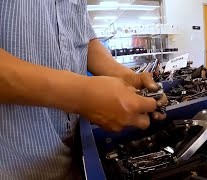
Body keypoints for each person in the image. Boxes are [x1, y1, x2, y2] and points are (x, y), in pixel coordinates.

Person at [0, 0, 167, 179]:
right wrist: (81, 94)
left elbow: (83, 41)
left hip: (76, 157)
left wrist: (128, 77)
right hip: (15, 167)